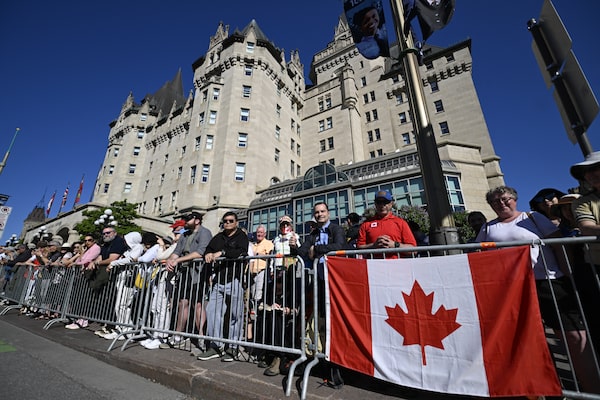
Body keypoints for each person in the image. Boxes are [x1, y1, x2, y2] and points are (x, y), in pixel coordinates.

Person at [476, 185, 600, 392]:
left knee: (573, 336)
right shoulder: (488, 228)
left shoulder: (532, 217)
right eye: (495, 201)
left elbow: (558, 246)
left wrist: (567, 275)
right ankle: (549, 389)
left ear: (515, 199)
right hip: (513, 288)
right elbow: (481, 256)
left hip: (548, 282)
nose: (501, 203)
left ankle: (593, 389)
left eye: (505, 199)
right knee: (532, 340)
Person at [289, 202, 346, 388]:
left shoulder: (336, 229)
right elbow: (303, 252)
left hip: (334, 281)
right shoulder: (313, 234)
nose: (320, 214)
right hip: (318, 282)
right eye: (317, 212)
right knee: (320, 321)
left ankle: (335, 369)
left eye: (322, 211)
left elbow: (339, 246)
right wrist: (293, 247)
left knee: (333, 322)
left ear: (328, 213)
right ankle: (321, 362)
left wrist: (317, 250)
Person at [197, 211, 249, 362]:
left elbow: (241, 251)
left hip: (234, 279)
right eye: (225, 221)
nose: (227, 223)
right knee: (212, 312)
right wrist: (208, 254)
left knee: (235, 315)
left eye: (231, 221)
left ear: (236, 222)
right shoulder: (218, 237)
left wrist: (222, 252)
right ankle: (215, 346)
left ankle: (233, 347)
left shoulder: (241, 236)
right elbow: (208, 249)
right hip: (219, 280)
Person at [259, 215, 302, 376]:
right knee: (272, 315)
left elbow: (298, 254)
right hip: (276, 277)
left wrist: (294, 245)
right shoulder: (275, 240)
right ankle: (272, 353)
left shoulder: (295, 237)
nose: (284, 227)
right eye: (282, 224)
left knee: (286, 316)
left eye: (287, 224)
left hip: (290, 277)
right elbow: (272, 259)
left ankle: (281, 356)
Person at [163, 213, 212, 352]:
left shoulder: (205, 232)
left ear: (197, 220)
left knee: (198, 304)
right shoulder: (185, 234)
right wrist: (170, 260)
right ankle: (178, 335)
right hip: (184, 272)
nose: (185, 221)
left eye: (188, 219)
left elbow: (200, 252)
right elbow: (177, 251)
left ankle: (202, 337)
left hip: (198, 272)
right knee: (182, 303)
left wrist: (177, 260)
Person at [101, 231, 144, 340]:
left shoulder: (138, 247)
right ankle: (121, 328)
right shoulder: (128, 250)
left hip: (129, 280)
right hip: (122, 278)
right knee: (120, 306)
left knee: (123, 305)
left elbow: (131, 259)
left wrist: (113, 263)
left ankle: (126, 330)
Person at [356, 190, 417, 257]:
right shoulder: (366, 224)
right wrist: (374, 245)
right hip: (374, 263)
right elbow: (359, 248)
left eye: (385, 202)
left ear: (391, 204)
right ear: (375, 204)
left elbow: (413, 250)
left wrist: (395, 245)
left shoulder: (401, 223)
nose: (382, 205)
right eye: (379, 202)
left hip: (396, 263)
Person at [247, 225, 273, 344]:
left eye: (261, 232)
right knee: (252, 297)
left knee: (258, 295)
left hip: (262, 271)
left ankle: (257, 318)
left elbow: (269, 256)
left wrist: (257, 254)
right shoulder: (253, 245)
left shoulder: (268, 243)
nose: (259, 234)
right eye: (258, 232)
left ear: (265, 234)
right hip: (252, 273)